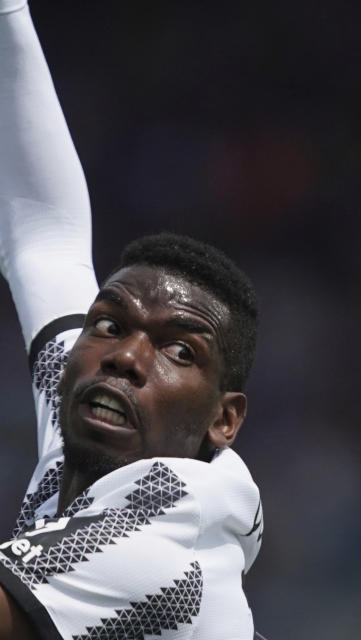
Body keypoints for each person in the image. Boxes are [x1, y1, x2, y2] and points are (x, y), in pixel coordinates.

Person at [0, 1, 264, 638]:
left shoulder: (164, 532)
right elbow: (43, 236)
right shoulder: (94, 429)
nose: (126, 357)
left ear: (223, 419)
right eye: (110, 325)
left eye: (180, 352)